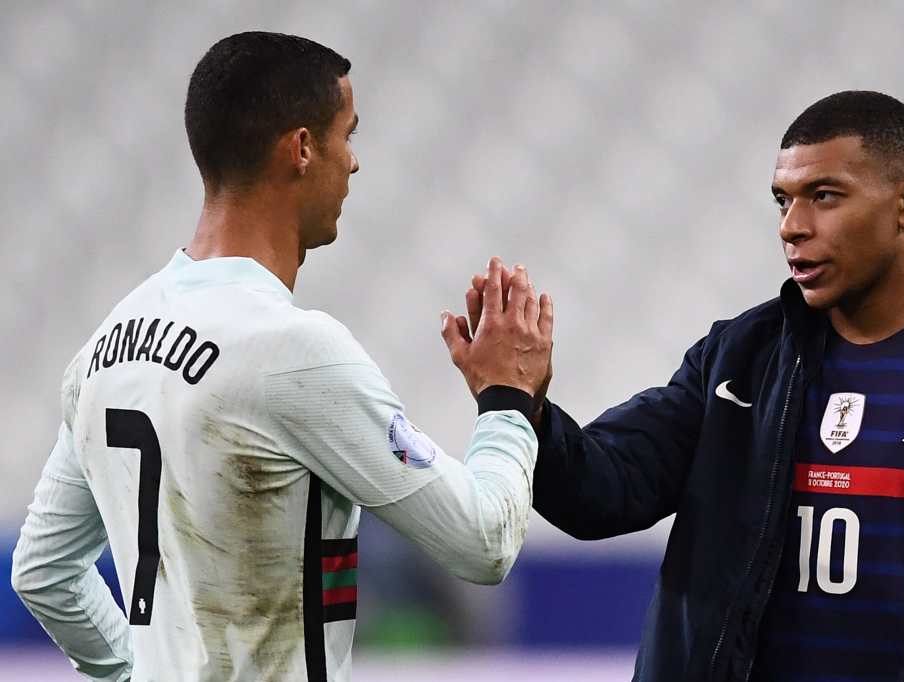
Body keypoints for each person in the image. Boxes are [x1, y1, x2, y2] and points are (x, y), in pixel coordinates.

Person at [11, 31, 553, 681]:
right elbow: (484, 542)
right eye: (348, 135)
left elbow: (44, 572)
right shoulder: (294, 353)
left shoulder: (105, 347)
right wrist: (508, 397)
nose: (354, 162)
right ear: (301, 149)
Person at [462, 90, 904, 681]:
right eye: (783, 200)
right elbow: (603, 491)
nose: (791, 227)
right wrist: (520, 403)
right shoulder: (742, 359)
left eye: (824, 196)